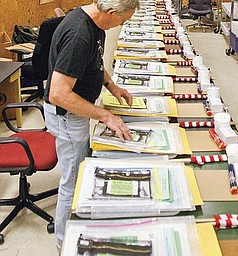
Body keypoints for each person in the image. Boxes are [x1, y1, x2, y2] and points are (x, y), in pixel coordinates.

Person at [43, 0, 140, 249]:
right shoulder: (79, 35)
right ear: (110, 12)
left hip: (76, 112)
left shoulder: (94, 22)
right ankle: (64, 243)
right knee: (73, 180)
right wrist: (105, 115)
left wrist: (111, 85)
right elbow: (58, 94)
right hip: (67, 115)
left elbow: (95, 60)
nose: (123, 24)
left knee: (79, 170)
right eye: (123, 20)